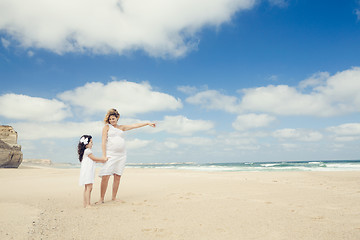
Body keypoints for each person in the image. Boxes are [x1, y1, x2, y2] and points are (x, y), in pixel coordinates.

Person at [96, 108, 156, 204]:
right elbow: (103, 142)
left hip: (121, 155)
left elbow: (134, 125)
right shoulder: (106, 128)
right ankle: (101, 199)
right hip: (110, 155)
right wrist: (104, 156)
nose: (112, 120)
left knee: (117, 176)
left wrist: (147, 123)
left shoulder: (122, 127)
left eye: (113, 118)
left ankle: (114, 197)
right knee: (105, 175)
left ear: (117, 118)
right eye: (110, 119)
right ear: (108, 120)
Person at [78, 135, 108, 208]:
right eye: (91, 142)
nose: (92, 144)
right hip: (88, 171)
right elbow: (94, 159)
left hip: (87, 171)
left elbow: (93, 161)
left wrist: (101, 161)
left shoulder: (85, 152)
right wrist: (103, 159)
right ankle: (87, 204)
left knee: (87, 187)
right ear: (86, 143)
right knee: (89, 187)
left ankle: (85, 204)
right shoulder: (88, 151)